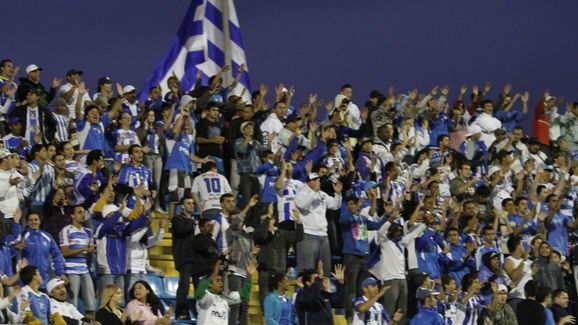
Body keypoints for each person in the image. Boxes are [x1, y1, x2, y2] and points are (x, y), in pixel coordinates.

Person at [340, 195, 385, 320]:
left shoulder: (363, 219)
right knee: (350, 289)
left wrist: (387, 216)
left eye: (352, 204)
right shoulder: (346, 218)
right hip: (351, 256)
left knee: (362, 288)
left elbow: (376, 226)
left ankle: (361, 314)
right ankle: (349, 315)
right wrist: (352, 211)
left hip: (364, 256)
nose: (350, 206)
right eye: (348, 204)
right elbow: (342, 222)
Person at [295, 173, 342, 276]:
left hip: (323, 236)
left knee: (325, 271)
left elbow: (335, 206)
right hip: (308, 235)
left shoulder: (322, 194)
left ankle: (323, 291)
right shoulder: (301, 193)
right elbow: (303, 206)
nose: (319, 183)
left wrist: (338, 194)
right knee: (307, 272)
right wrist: (313, 193)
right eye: (317, 180)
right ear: (310, 182)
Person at [59, 205, 96, 314]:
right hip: (71, 271)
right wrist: (84, 248)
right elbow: (64, 252)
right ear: (72, 215)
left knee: (91, 305)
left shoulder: (88, 232)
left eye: (83, 212)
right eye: (79, 212)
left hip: (85, 270)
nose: (82, 215)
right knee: (72, 304)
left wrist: (91, 251)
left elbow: (90, 252)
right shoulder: (66, 230)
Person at [196, 259, 257, 325]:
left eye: (221, 280)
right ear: (210, 284)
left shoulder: (225, 298)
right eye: (218, 281)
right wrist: (214, 273)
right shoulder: (206, 297)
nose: (221, 283)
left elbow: (244, 294)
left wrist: (249, 277)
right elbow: (199, 293)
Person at [21, 213, 67, 288]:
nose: (33, 222)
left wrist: (61, 273)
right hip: (28, 281)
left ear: (40, 221)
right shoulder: (23, 237)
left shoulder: (47, 236)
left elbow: (57, 255)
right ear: (27, 222)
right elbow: (18, 256)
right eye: (31, 220)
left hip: (45, 280)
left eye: (36, 220)